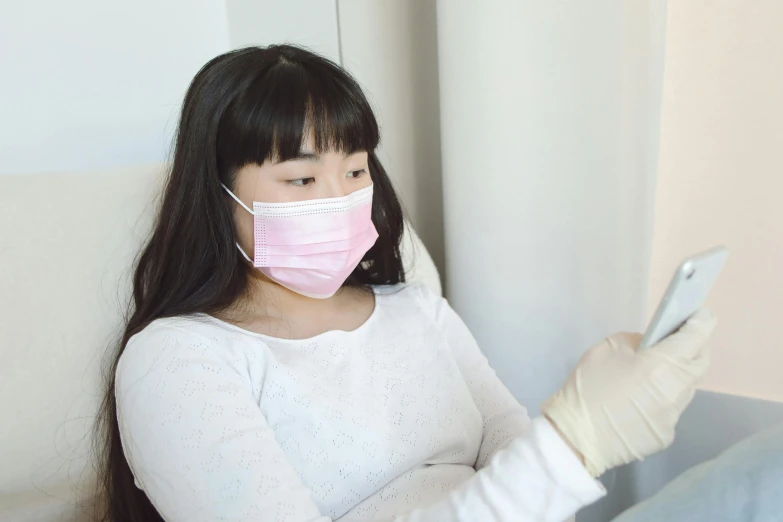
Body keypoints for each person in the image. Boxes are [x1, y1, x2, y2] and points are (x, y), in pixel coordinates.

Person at [95, 44, 717, 522]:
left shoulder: (419, 311)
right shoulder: (176, 360)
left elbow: (519, 470)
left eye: (357, 169)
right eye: (302, 180)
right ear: (217, 194)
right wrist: (576, 442)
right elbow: (535, 477)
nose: (341, 199)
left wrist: (578, 435)